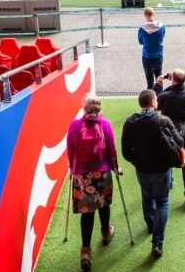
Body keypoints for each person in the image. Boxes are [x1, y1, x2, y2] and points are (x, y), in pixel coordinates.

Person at [121, 89, 184, 258]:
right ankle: (157, 242)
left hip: (142, 170)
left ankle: (150, 225)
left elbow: (126, 152)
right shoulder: (164, 121)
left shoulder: (130, 122)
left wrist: (137, 161)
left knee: (147, 197)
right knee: (162, 202)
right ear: (154, 103)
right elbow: (180, 142)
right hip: (162, 170)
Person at [66, 94, 120, 271]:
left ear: (84, 107)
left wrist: (72, 168)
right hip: (102, 172)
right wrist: (116, 168)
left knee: (87, 212)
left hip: (83, 175)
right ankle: (106, 232)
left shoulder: (74, 125)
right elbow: (111, 151)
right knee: (103, 204)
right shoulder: (105, 124)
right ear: (99, 107)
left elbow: (70, 150)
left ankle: (86, 252)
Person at [154, 69, 185, 204]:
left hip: (169, 134)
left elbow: (155, 103)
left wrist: (158, 84)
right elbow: (175, 91)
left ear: (173, 80)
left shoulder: (166, 95)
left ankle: (169, 183)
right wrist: (174, 83)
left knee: (167, 158)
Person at [138, 7, 166, 89]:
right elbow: (162, 37)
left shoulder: (142, 29)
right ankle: (160, 97)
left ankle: (150, 99)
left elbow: (140, 42)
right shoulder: (162, 26)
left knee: (150, 81)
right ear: (154, 14)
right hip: (159, 55)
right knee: (159, 78)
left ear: (145, 15)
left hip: (147, 56)